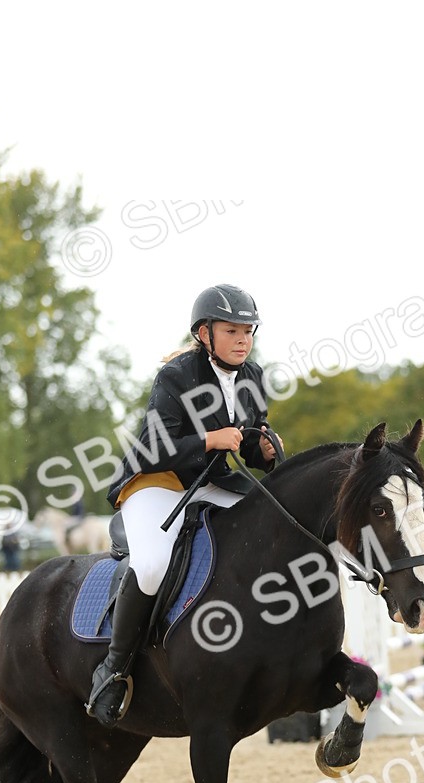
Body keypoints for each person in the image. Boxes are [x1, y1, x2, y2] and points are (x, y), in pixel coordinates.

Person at [87, 284, 281, 727]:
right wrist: (210, 440)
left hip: (206, 480)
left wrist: (264, 452)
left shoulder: (253, 377)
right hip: (154, 480)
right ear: (203, 333)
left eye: (248, 331)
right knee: (153, 563)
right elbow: (154, 446)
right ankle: (113, 668)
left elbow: (247, 443)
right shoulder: (175, 376)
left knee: (273, 520)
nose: (243, 339)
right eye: (231, 330)